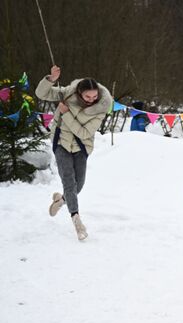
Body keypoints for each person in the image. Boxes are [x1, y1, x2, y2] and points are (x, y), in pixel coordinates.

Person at [36, 65, 113, 240]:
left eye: (94, 96)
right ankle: (77, 221)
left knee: (80, 184)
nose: (91, 100)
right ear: (79, 93)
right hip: (61, 143)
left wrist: (66, 114)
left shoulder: (101, 108)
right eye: (87, 96)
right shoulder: (67, 94)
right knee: (69, 182)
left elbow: (84, 133)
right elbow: (42, 94)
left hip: (81, 147)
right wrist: (51, 80)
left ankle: (61, 200)